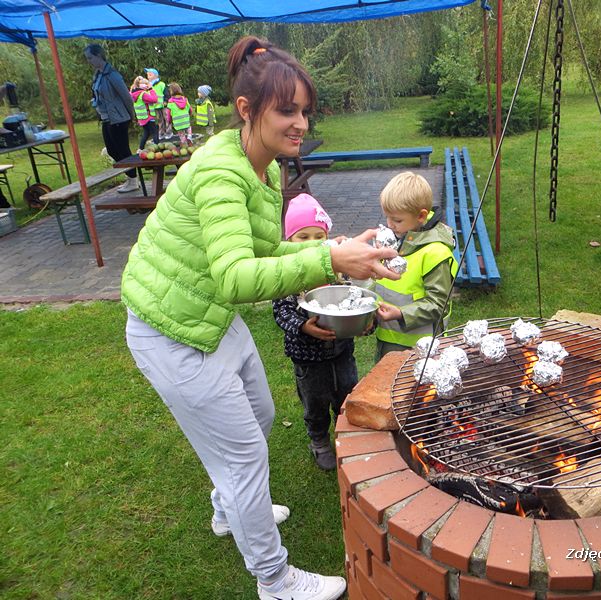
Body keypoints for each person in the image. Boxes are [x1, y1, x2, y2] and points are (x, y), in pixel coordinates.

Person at [121, 36, 398, 600]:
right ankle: (275, 580)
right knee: (244, 454)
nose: (301, 123)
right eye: (287, 110)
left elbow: (264, 252)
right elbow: (235, 278)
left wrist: (335, 248)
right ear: (247, 110)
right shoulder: (221, 174)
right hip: (168, 330)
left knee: (261, 415)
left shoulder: (262, 167)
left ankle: (230, 507)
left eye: (304, 111)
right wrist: (328, 260)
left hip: (207, 317)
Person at [272, 194, 358, 472]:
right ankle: (319, 441)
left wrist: (361, 322)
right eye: (303, 237)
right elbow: (281, 312)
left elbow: (352, 299)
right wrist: (302, 325)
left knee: (347, 396)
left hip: (342, 351)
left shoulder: (335, 270)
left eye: (318, 236)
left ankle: (347, 437)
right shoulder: (286, 273)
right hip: (308, 358)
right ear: (289, 241)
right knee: (315, 403)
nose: (312, 242)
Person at [374, 172, 458, 359]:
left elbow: (439, 304)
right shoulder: (397, 239)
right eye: (387, 217)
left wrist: (401, 314)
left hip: (420, 348)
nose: (390, 225)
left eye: (397, 220)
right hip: (387, 339)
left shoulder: (435, 253)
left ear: (421, 216)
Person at [84, 44, 138, 193]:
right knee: (112, 150)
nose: (89, 61)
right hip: (106, 118)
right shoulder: (98, 75)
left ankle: (133, 180)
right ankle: (130, 177)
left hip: (118, 118)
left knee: (122, 150)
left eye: (90, 58)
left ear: (99, 56)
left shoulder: (112, 75)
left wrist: (131, 115)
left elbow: (126, 97)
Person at [129, 76, 158, 150]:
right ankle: (158, 148)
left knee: (146, 133)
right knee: (154, 132)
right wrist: (151, 89)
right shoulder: (142, 94)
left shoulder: (133, 93)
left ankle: (140, 149)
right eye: (146, 84)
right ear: (140, 85)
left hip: (142, 117)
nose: (147, 85)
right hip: (148, 116)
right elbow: (154, 99)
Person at [144, 67, 171, 141]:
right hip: (154, 106)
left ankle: (169, 132)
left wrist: (166, 101)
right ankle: (161, 133)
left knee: (167, 119)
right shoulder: (148, 86)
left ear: (156, 76)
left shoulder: (161, 84)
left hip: (163, 105)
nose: (148, 76)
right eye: (147, 75)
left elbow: (166, 93)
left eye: (150, 74)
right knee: (159, 120)